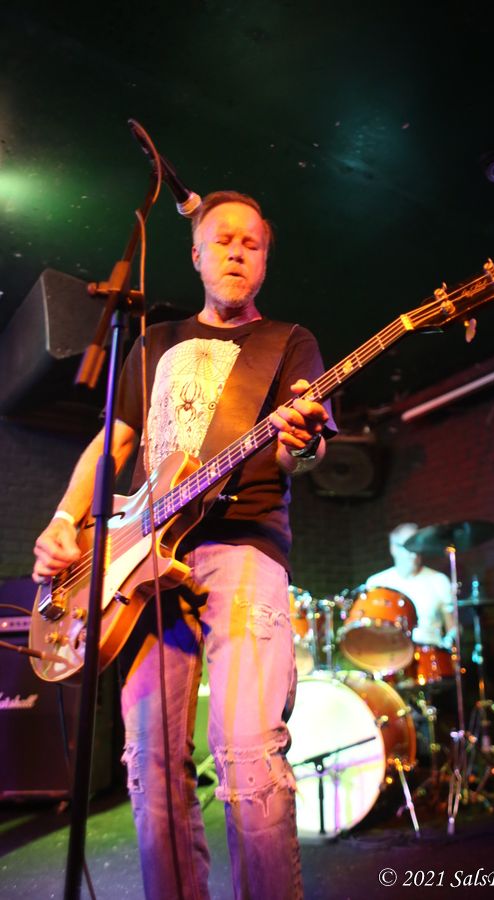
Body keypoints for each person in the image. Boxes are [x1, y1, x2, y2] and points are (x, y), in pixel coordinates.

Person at [32, 191, 335, 900]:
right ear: (195, 255)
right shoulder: (154, 342)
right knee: (150, 765)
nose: (236, 252)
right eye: (222, 240)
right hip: (142, 563)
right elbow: (114, 444)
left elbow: (302, 451)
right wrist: (64, 518)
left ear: (265, 261)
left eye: (252, 244)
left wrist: (304, 440)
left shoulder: (289, 341)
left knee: (249, 758)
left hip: (244, 547)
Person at [365, 522, 454, 650]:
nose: (414, 552)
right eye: (408, 545)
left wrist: (450, 642)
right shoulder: (376, 583)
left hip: (430, 656)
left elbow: (452, 626)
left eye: (417, 545)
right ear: (393, 548)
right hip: (390, 655)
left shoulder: (439, 580)